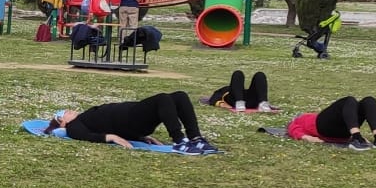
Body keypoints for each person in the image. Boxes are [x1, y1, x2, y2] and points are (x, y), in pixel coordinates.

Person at [54, 94, 214, 153]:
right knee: (162, 99)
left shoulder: (83, 119)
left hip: (132, 117)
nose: (70, 110)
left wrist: (139, 138)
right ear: (62, 122)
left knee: (180, 96)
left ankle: (195, 138)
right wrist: (112, 138)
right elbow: (83, 135)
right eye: (65, 112)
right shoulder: (73, 126)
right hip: (129, 118)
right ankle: (179, 140)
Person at [288, 96, 376, 149]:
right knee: (349, 100)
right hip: (322, 127)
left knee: (368, 100)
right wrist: (306, 137)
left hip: (342, 131)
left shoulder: (311, 115)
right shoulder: (299, 119)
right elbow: (292, 128)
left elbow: (349, 118)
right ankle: (357, 137)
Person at [207, 70, 272, 112]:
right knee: (238, 73)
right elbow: (214, 97)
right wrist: (220, 103)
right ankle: (239, 102)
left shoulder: (228, 89)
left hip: (252, 101)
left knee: (260, 75)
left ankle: (263, 103)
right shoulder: (227, 89)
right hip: (234, 100)